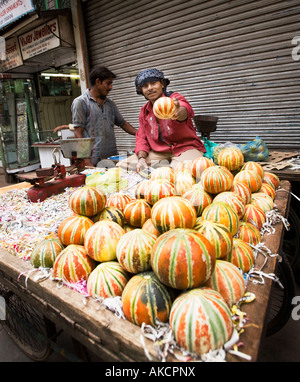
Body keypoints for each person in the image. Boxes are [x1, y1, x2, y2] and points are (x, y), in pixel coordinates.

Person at [117, 68, 205, 172]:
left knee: (181, 172)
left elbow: (185, 110)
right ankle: (165, 166)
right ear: (142, 90)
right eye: (145, 86)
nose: (150, 88)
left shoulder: (174, 99)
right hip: (159, 152)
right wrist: (141, 159)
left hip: (185, 148)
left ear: (162, 84)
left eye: (153, 83)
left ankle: (168, 168)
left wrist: (177, 113)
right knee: (122, 165)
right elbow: (141, 138)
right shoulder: (144, 111)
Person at [54, 66, 136, 167]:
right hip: (93, 160)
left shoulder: (110, 104)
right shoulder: (81, 102)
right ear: (97, 82)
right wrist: (86, 159)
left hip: (112, 157)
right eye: (108, 83)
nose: (111, 87)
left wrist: (140, 134)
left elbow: (122, 123)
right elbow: (78, 132)